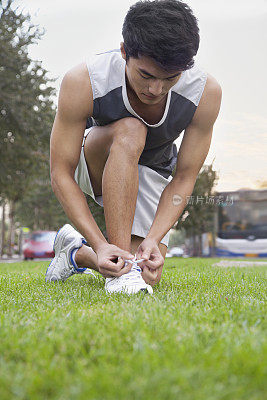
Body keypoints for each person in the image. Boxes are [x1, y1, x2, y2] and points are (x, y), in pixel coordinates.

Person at [45, 0, 222, 294]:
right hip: (94, 162)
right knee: (131, 129)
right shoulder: (84, 80)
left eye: (170, 78)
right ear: (125, 51)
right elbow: (61, 171)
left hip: (153, 170)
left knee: (146, 271)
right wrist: (103, 241)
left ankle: (75, 252)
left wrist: (154, 238)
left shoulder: (205, 93)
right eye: (146, 75)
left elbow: (184, 178)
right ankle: (115, 269)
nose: (156, 90)